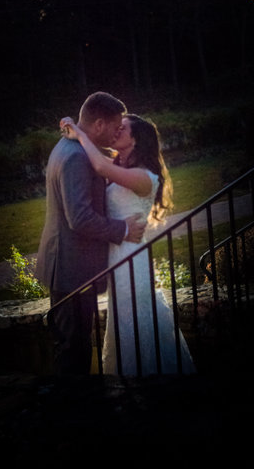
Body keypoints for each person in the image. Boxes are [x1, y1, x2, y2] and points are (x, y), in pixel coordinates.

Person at [60, 112, 196, 376]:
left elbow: (99, 166)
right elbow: (96, 158)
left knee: (135, 315)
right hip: (116, 253)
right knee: (122, 317)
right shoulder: (118, 165)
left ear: (136, 140)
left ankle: (150, 376)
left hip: (131, 256)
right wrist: (73, 128)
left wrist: (80, 132)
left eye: (122, 128)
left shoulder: (145, 177)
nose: (115, 130)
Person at [35, 92, 147, 375]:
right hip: (72, 269)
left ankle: (74, 397)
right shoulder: (76, 157)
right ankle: (75, 401)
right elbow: (80, 218)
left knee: (73, 344)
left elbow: (103, 162)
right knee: (74, 348)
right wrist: (123, 229)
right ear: (98, 124)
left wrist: (75, 128)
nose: (117, 132)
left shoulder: (70, 146)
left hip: (68, 266)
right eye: (115, 126)